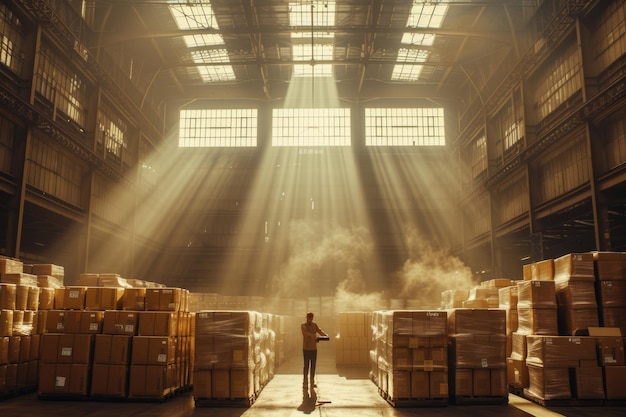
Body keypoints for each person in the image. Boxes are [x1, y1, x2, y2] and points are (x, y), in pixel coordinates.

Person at [301, 312, 327, 388]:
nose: (310, 319)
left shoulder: (314, 325)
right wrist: (314, 336)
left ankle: (312, 382)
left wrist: (325, 335)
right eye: (309, 318)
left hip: (313, 349)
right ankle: (305, 382)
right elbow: (306, 334)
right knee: (306, 366)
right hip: (306, 348)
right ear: (307, 318)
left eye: (311, 318)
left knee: (313, 366)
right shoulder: (303, 326)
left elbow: (319, 331)